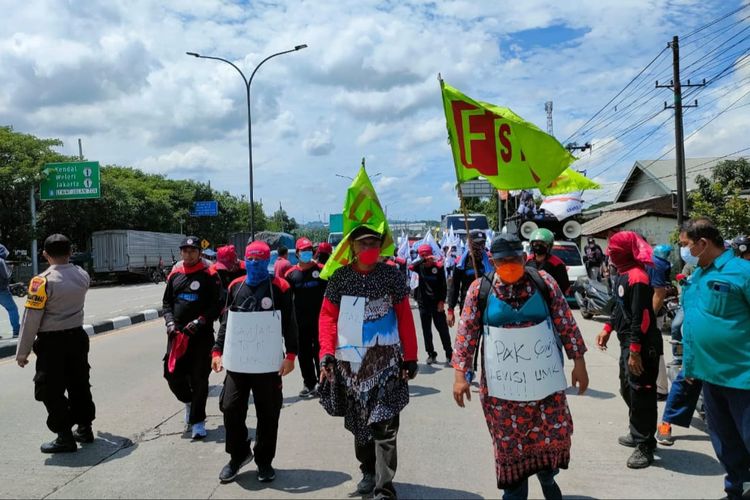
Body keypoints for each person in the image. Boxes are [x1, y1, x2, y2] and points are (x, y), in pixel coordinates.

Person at [452, 234, 589, 499]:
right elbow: (466, 334)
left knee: (550, 448)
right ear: (492, 261)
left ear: (524, 258)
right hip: (503, 397)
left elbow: (565, 322)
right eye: (503, 261)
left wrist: (578, 363)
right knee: (512, 458)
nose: (510, 264)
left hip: (545, 391)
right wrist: (461, 375)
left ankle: (549, 483)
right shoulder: (479, 290)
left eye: (515, 258)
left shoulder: (543, 282)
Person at [318, 225, 418, 499]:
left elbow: (404, 316)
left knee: (385, 423)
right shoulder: (340, 279)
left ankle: (385, 487)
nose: (369, 248)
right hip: (351, 365)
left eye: (374, 243)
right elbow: (327, 317)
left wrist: (410, 356)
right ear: (352, 248)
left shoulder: (391, 277)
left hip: (387, 362)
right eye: (363, 244)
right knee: (361, 423)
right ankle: (368, 471)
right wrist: (326, 353)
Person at [211, 240, 298, 484]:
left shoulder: (280, 287)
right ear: (244, 259)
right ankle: (238, 455)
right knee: (230, 407)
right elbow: (227, 323)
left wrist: (291, 355)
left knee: (268, 413)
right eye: (250, 259)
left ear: (267, 260)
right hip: (238, 362)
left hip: (268, 364)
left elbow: (290, 324)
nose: (254, 263)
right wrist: (216, 351)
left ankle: (264, 461)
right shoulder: (235, 287)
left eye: (259, 259)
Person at [679, 218, 750, 499]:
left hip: (741, 376)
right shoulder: (697, 275)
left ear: (703, 243)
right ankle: (736, 490)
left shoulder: (742, 272)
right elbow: (695, 322)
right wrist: (690, 363)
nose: (683, 250)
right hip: (709, 376)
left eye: (685, 245)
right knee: (725, 443)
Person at [15, 234, 95, 453]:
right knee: (79, 383)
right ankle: (85, 428)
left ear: (45, 254)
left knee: (50, 390)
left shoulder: (42, 281)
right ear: (71, 253)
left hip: (52, 343)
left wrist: (22, 352)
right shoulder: (82, 275)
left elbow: (31, 318)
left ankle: (64, 437)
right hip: (77, 338)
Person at [595, 231, 662, 469]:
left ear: (624, 252)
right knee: (627, 388)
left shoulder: (638, 278)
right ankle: (638, 431)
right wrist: (607, 327)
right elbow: (620, 308)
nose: (609, 253)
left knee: (642, 392)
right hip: (628, 343)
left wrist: (635, 351)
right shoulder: (623, 275)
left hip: (642, 345)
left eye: (613, 249)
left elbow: (642, 318)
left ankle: (645, 444)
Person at [162, 236, 221, 440]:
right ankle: (188, 401)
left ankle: (197, 421)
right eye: (185, 251)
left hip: (201, 337)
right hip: (177, 337)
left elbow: (217, 304)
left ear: (199, 252)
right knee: (172, 376)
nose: (188, 254)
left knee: (199, 379)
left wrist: (200, 321)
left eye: (192, 251)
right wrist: (170, 323)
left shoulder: (209, 274)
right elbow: (167, 303)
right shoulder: (176, 274)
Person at [284, 237, 326, 398]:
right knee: (304, 354)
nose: (307, 253)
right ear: (297, 253)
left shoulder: (322, 270)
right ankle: (309, 383)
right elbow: (286, 301)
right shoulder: (290, 274)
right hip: (300, 323)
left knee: (320, 352)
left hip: (320, 321)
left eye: (309, 250)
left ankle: (324, 383)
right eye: (303, 251)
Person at [410, 244, 452, 365]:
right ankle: (431, 354)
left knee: (442, 329)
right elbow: (411, 267)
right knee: (426, 330)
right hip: (423, 303)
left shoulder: (438, 267)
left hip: (436, 303)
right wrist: (423, 259)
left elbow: (443, 286)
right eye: (423, 256)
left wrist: (441, 302)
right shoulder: (420, 267)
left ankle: (449, 354)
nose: (426, 260)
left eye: (427, 256)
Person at [447, 230, 491, 328]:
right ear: (470, 244)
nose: (480, 247)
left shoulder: (490, 261)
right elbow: (454, 287)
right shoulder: (461, 263)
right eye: (477, 244)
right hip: (468, 306)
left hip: (487, 306)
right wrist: (451, 310)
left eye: (482, 243)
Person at [648, 244, 673, 400]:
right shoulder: (662, 264)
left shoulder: (656, 265)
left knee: (655, 350)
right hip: (657, 313)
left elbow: (659, 293)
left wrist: (650, 316)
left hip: (655, 315)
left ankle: (661, 388)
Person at [526, 228, 570, 295]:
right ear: (531, 244)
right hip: (530, 298)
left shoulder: (557, 263)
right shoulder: (527, 261)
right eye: (536, 243)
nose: (538, 246)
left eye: (542, 243)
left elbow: (564, 286)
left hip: (550, 299)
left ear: (549, 245)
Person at [0, 244, 20, 338]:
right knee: (12, 309)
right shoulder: (0, 261)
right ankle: (16, 331)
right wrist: (10, 268)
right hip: (1, 290)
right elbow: (6, 275)